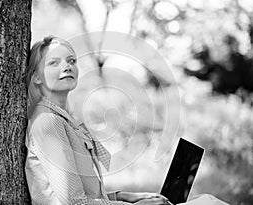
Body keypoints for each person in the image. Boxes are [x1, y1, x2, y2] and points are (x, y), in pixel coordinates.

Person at [25, 36, 229, 205]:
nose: (67, 66)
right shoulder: (48, 124)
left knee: (202, 199)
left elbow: (87, 197)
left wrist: (124, 196)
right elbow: (74, 203)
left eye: (71, 61)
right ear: (36, 77)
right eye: (54, 62)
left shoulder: (66, 121)